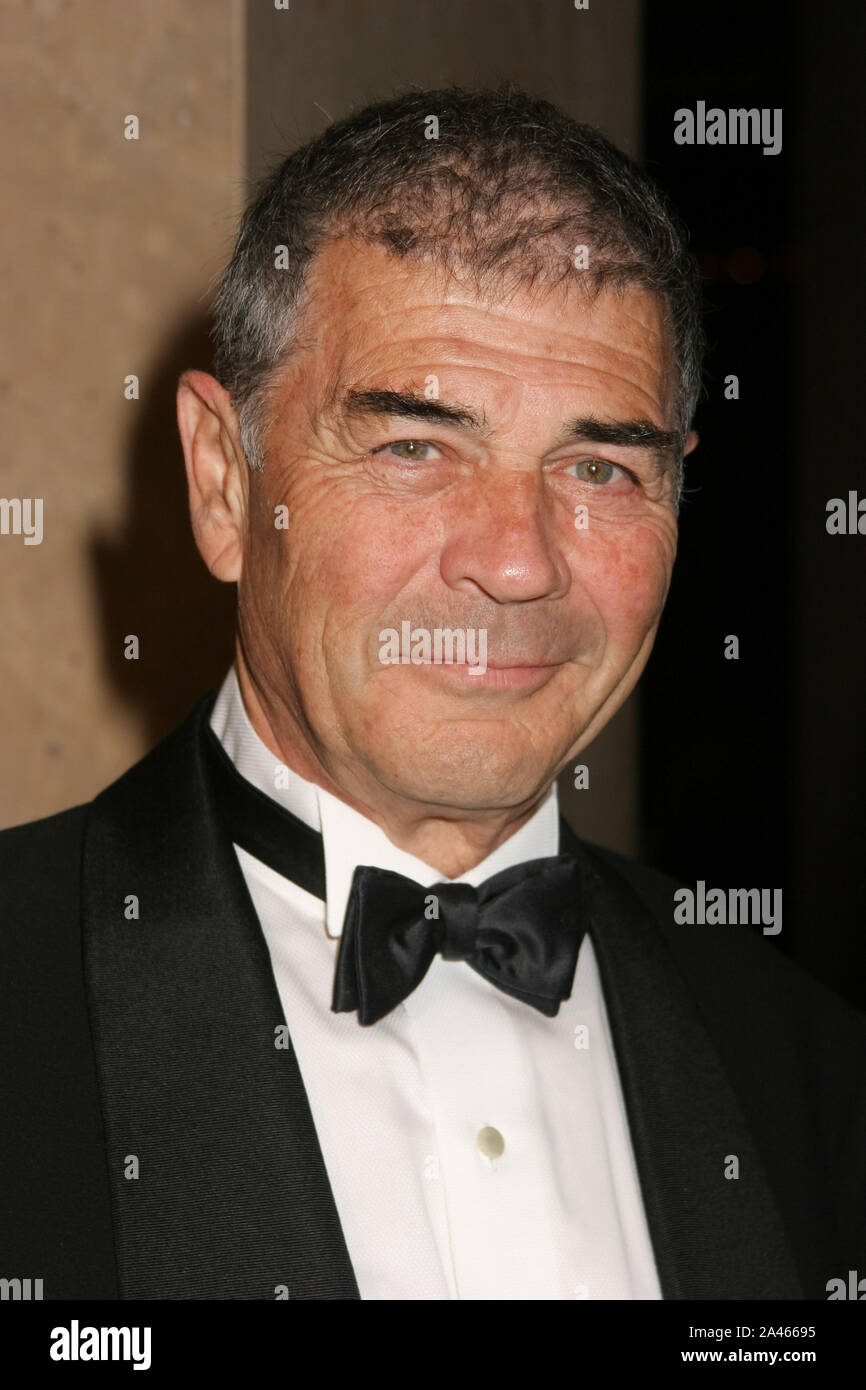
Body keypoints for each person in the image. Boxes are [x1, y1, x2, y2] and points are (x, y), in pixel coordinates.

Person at [1, 86, 863, 1302]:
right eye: (415, 447)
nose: (516, 559)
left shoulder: (801, 1061)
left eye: (599, 466)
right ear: (224, 484)